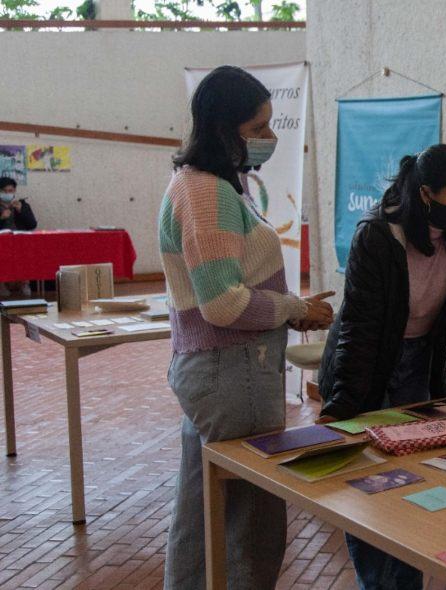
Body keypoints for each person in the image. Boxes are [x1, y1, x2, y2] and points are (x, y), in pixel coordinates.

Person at [158, 65, 334, 590]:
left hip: (224, 369)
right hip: (231, 370)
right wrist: (291, 308)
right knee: (251, 522)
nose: (269, 139)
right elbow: (222, 304)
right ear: (222, 128)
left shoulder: (212, 187)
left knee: (203, 509)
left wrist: (291, 307)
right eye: (257, 128)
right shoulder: (205, 192)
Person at [316, 143, 446, 590]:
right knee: (369, 484)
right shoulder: (377, 233)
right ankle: (377, 584)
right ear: (426, 194)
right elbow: (359, 324)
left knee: (414, 483)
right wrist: (343, 404)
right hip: (367, 363)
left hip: (419, 364)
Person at [0, 177, 38, 298]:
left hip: (19, 240)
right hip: (1, 241)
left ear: (14, 190)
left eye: (10, 190)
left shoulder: (22, 205)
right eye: (4, 191)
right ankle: (2, 284)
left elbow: (32, 224)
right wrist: (2, 218)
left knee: (26, 253)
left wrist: (21, 210)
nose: (7, 193)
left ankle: (24, 283)